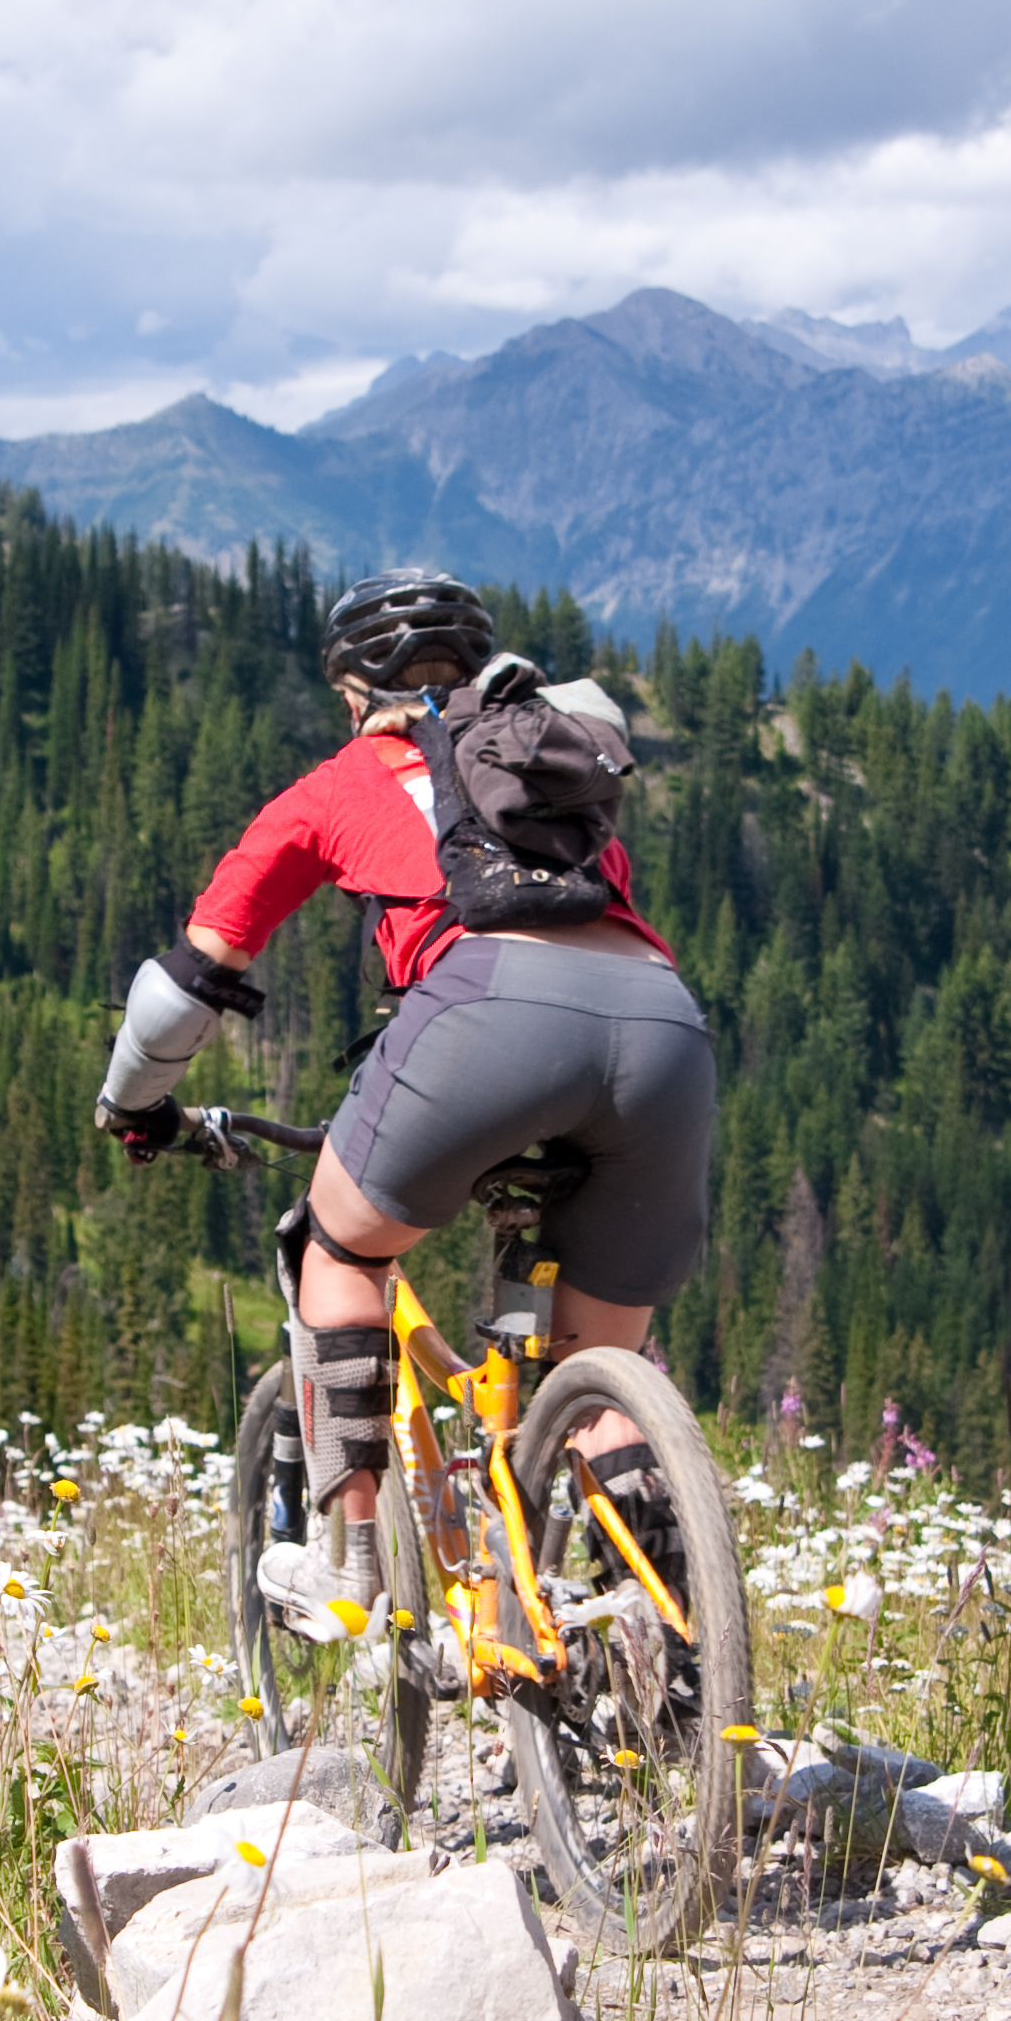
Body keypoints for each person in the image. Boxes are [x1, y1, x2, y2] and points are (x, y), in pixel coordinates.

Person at [93, 569, 716, 1617]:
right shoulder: (538, 772)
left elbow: (186, 984)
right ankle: (679, 1660)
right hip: (663, 1024)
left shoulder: (338, 784)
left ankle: (350, 1562)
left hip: (483, 1019)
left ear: (349, 692)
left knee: (333, 1248)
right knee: (599, 1364)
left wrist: (134, 1104)